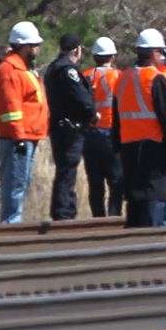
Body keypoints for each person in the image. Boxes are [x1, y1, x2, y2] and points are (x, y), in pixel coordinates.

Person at [112, 30, 166, 228]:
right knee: (154, 201)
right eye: (160, 52)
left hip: (129, 147)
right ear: (154, 52)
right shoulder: (156, 78)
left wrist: (117, 146)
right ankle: (154, 250)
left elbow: (116, 118)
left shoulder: (122, 78)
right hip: (154, 148)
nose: (162, 56)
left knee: (135, 201)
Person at [0, 21, 50, 224]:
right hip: (18, 138)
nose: (37, 49)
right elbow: (11, 107)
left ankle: (13, 225)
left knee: (20, 184)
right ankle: (9, 229)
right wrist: (19, 137)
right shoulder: (10, 69)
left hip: (28, 136)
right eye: (34, 45)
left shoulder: (23, 68)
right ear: (24, 46)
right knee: (14, 186)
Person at [42, 33, 96, 221]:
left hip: (58, 126)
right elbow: (81, 99)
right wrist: (92, 114)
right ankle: (64, 213)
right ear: (77, 49)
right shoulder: (68, 70)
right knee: (67, 170)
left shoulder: (52, 68)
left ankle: (62, 210)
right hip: (70, 128)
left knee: (63, 169)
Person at [81, 37, 124, 217]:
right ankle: (114, 218)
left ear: (94, 56)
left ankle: (97, 219)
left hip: (90, 134)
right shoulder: (119, 76)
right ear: (112, 56)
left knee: (95, 182)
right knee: (116, 181)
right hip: (112, 133)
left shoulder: (85, 75)